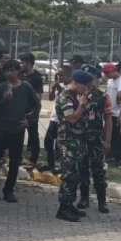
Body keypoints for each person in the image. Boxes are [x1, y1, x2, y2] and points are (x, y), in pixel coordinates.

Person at [0, 60, 39, 203]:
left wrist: (30, 121)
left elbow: (36, 104)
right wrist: (4, 100)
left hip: (16, 130)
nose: (10, 73)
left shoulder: (26, 87)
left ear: (18, 71)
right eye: (7, 70)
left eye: (13, 70)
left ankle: (8, 190)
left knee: (14, 162)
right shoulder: (1, 87)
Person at [54, 70, 94, 222]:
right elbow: (71, 118)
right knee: (69, 174)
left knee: (75, 174)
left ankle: (70, 204)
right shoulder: (65, 97)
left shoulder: (73, 96)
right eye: (84, 86)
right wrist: (82, 105)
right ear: (75, 83)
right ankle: (63, 208)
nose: (86, 89)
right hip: (68, 141)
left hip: (76, 141)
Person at [76, 65, 112, 214]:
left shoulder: (103, 96)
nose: (87, 81)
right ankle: (84, 198)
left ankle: (102, 201)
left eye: (90, 77)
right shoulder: (75, 94)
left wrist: (107, 140)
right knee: (82, 169)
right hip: (80, 138)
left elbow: (108, 119)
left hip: (96, 139)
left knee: (98, 170)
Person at [42, 65, 72, 172]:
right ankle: (50, 163)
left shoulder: (72, 86)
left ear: (69, 75)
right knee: (48, 141)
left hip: (64, 120)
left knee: (62, 144)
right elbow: (51, 98)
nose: (59, 77)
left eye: (62, 75)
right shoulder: (58, 85)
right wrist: (53, 89)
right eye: (58, 74)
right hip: (54, 118)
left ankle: (64, 166)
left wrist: (59, 88)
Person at [18, 53, 44, 166]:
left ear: (28, 63)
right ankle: (17, 157)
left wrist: (34, 112)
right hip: (19, 110)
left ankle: (33, 159)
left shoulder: (36, 77)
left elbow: (38, 96)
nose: (20, 65)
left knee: (33, 135)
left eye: (22, 62)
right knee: (18, 135)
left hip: (31, 111)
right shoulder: (20, 75)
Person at [101, 63, 121, 164]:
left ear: (113, 70)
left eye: (107, 73)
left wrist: (120, 113)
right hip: (110, 111)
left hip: (118, 111)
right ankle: (110, 155)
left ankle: (119, 157)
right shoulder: (110, 81)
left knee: (118, 136)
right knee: (109, 134)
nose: (106, 75)